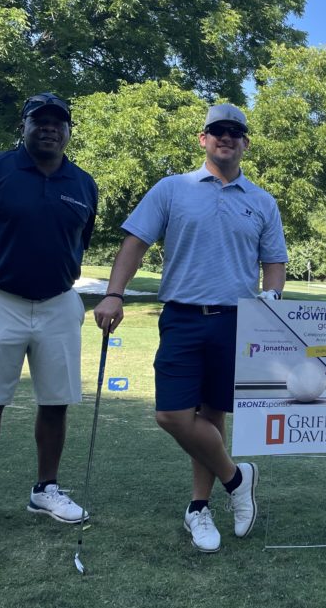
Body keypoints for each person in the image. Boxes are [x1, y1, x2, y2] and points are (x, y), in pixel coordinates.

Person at [93, 103, 287, 553]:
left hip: (235, 321)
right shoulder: (172, 189)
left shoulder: (261, 201)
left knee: (211, 416)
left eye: (235, 132)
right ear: (203, 139)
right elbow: (134, 244)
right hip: (181, 316)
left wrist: (271, 301)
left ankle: (199, 509)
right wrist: (114, 293)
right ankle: (238, 479)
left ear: (245, 143)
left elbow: (273, 264)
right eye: (218, 130)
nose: (226, 137)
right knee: (172, 416)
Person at [0, 92, 98, 541]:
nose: (50, 128)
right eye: (41, 121)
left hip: (58, 301)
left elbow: (81, 238)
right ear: (25, 126)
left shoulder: (82, 183)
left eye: (59, 122)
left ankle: (45, 488)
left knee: (56, 400)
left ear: (68, 130)